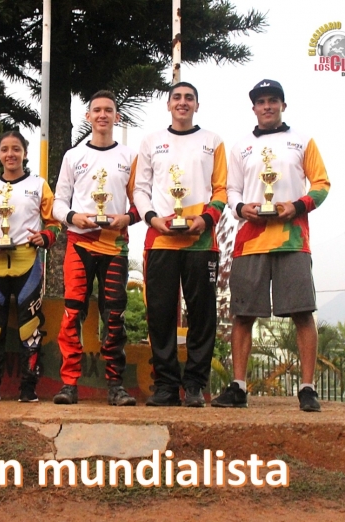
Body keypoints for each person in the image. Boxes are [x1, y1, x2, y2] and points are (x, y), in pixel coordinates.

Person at [211, 79, 330, 412]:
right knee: (243, 314)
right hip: (250, 240)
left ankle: (307, 388)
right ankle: (238, 387)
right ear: (254, 108)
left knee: (302, 312)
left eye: (273, 100)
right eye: (261, 101)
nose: (267, 106)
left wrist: (299, 205)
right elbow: (231, 189)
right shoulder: (240, 147)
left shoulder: (302, 141)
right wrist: (239, 209)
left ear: (283, 105)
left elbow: (321, 184)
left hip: (292, 238)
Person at [132, 82, 227, 407]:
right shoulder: (151, 142)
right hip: (160, 240)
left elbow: (221, 189)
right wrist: (152, 218)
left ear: (197, 105)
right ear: (168, 105)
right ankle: (166, 386)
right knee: (160, 314)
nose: (183, 103)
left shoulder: (212, 141)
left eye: (189, 98)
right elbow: (140, 189)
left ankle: (196, 385)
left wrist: (207, 218)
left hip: (201, 241)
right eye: (177, 98)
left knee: (202, 314)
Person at [52, 90, 139, 406]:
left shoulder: (130, 157)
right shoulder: (73, 156)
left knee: (114, 314)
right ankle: (69, 384)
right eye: (96, 110)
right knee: (72, 312)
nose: (102, 115)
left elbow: (141, 202)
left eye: (109, 110)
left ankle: (115, 386)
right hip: (79, 242)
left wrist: (127, 217)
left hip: (115, 244)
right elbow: (59, 202)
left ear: (117, 117)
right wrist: (74, 216)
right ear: (87, 117)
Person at [0, 131, 61, 402]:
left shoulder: (39, 185)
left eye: (16, 149)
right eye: (5, 149)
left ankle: (28, 387)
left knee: (29, 327)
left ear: (25, 153)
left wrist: (45, 237)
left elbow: (55, 222)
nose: (10, 154)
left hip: (28, 262)